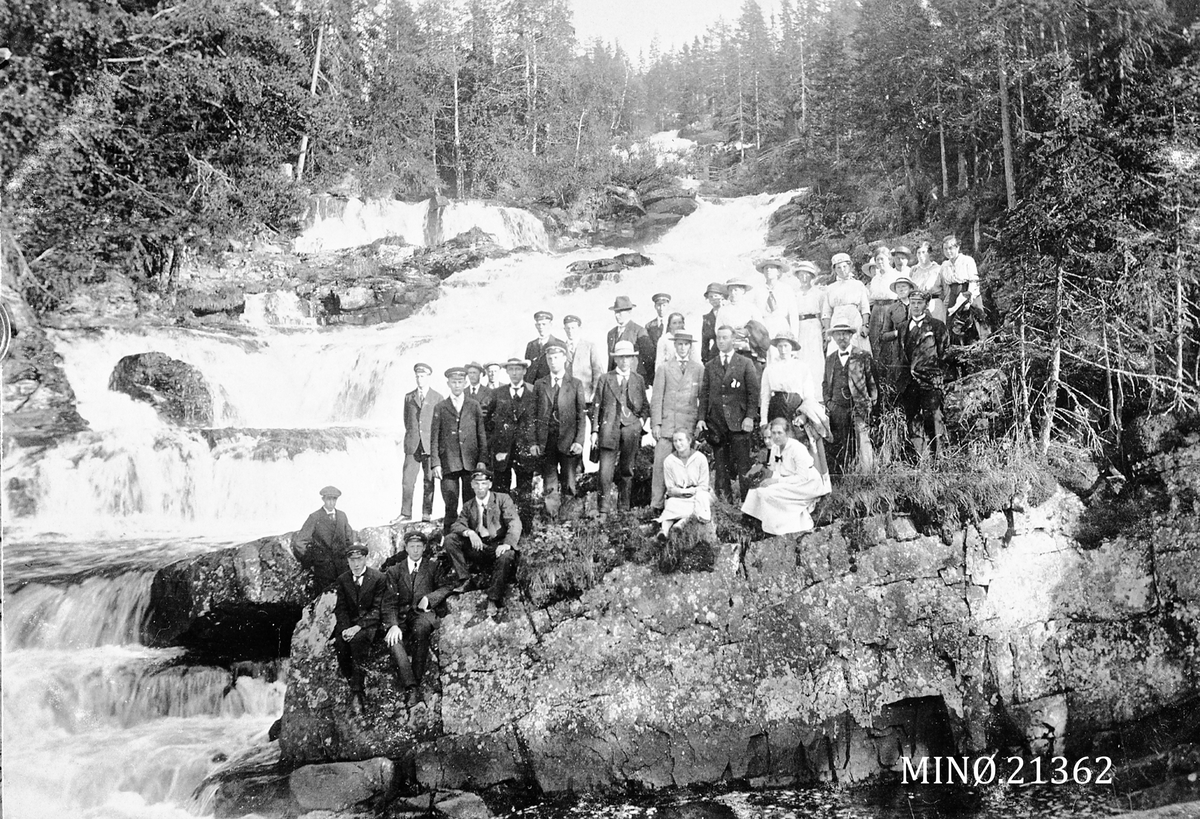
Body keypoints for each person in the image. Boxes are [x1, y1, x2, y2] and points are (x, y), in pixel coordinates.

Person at [381, 530, 454, 708]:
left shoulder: (433, 566)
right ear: (406, 548)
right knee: (394, 639)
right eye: (412, 546)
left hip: (422, 614)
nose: (415, 550)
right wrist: (392, 625)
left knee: (421, 629)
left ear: (424, 548)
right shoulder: (394, 570)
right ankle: (411, 686)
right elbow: (388, 601)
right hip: (400, 616)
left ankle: (418, 681)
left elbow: (446, 587)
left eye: (419, 546)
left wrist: (430, 598)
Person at [443, 467, 522, 620]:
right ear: (471, 485)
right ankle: (465, 579)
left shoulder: (502, 499)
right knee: (451, 539)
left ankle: (493, 598)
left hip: (497, 546)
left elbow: (514, 522)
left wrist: (507, 544)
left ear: (490, 485)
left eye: (484, 483)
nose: (480, 488)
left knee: (508, 555)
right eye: (477, 484)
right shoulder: (468, 505)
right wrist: (470, 533)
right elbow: (457, 525)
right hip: (478, 548)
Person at [758, 331, 831, 486]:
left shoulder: (801, 367)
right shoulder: (770, 368)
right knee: (779, 446)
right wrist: (764, 421)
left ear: (792, 347)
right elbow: (764, 396)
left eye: (786, 346)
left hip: (796, 409)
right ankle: (781, 485)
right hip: (777, 409)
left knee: (801, 446)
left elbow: (809, 395)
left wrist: (804, 416)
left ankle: (807, 485)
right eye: (779, 346)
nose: (783, 350)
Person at [698, 326, 760, 503]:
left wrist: (749, 416)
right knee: (721, 465)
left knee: (743, 464)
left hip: (739, 422)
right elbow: (704, 394)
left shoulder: (745, 363)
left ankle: (749, 504)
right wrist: (702, 419)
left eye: (725, 338)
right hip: (717, 422)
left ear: (733, 340)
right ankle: (725, 503)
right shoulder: (710, 366)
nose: (721, 341)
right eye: (718, 338)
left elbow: (753, 393)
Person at [741, 418, 830, 536]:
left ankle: (781, 527)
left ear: (786, 433)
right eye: (773, 433)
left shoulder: (797, 448)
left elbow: (802, 477)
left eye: (779, 433)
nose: (776, 436)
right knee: (757, 491)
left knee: (770, 493)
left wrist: (777, 481)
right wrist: (765, 478)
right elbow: (774, 469)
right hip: (788, 480)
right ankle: (763, 525)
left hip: (808, 484)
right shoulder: (775, 448)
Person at [591, 339, 650, 515]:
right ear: (615, 359)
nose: (625, 361)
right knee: (605, 472)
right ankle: (603, 510)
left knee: (627, 470)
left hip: (631, 430)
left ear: (633, 359)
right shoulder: (605, 379)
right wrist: (594, 431)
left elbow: (645, 406)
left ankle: (624, 509)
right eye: (621, 357)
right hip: (609, 430)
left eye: (628, 357)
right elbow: (596, 406)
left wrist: (640, 423)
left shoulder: (638, 379)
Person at [430, 366, 489, 534]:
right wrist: (435, 464)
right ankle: (450, 541)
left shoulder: (473, 405)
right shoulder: (440, 407)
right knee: (450, 505)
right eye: (453, 382)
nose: (457, 385)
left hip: (470, 464)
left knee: (471, 504)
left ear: (465, 383)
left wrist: (482, 460)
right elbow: (434, 437)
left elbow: (481, 435)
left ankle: (472, 540)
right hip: (448, 464)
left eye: (460, 382)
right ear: (448, 383)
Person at [650, 331, 704, 511]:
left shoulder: (698, 369)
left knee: (686, 467)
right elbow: (656, 398)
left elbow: (702, 399)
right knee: (660, 465)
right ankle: (656, 505)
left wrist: (699, 421)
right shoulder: (664, 368)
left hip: (687, 426)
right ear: (674, 346)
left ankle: (687, 506)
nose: (682, 348)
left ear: (690, 347)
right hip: (668, 425)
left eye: (686, 344)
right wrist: (656, 424)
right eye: (679, 344)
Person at [485, 357, 539, 531]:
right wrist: (495, 444)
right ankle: (501, 528)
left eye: (518, 369)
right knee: (501, 490)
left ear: (524, 371)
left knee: (525, 491)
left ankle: (526, 528)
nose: (515, 373)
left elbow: (539, 420)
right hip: (502, 451)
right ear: (506, 372)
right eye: (511, 370)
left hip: (525, 450)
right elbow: (487, 420)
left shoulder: (533, 392)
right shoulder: (498, 393)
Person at [824, 305, 878, 473]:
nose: (841, 338)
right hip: (837, 408)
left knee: (863, 440)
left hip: (858, 406)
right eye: (838, 334)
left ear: (851, 335)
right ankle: (846, 474)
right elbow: (825, 383)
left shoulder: (862, 356)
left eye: (845, 334)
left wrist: (870, 403)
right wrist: (829, 402)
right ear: (833, 337)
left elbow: (872, 383)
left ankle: (867, 475)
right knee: (843, 441)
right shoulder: (830, 358)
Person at [332, 542, 384, 715]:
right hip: (350, 625)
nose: (356, 564)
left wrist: (358, 627)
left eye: (359, 559)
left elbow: (377, 610)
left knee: (358, 642)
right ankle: (351, 679)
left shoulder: (378, 578)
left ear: (365, 559)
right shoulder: (343, 579)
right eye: (352, 560)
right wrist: (346, 628)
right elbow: (341, 608)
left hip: (369, 625)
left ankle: (357, 692)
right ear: (348, 561)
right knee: (340, 644)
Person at [898, 290, 948, 459]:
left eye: (919, 302)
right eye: (913, 302)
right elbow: (902, 353)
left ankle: (937, 458)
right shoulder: (903, 327)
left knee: (933, 418)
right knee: (912, 419)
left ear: (926, 305)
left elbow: (943, 353)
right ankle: (921, 458)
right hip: (909, 382)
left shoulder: (937, 326)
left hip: (930, 380)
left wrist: (934, 375)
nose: (916, 306)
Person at [535, 343, 587, 501]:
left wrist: (579, 441)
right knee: (549, 484)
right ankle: (552, 520)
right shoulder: (540, 384)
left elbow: (581, 416)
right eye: (549, 358)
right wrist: (534, 442)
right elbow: (533, 415)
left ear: (564, 358)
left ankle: (568, 520)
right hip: (547, 441)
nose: (553, 361)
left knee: (570, 483)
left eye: (556, 358)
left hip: (569, 441)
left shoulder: (575, 384)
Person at [399, 363, 443, 523]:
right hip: (412, 445)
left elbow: (439, 424)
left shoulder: (437, 398)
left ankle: (426, 513)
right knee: (407, 481)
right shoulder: (409, 397)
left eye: (422, 376)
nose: (419, 379)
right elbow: (407, 421)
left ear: (429, 377)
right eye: (417, 376)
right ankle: (405, 513)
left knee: (429, 481)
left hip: (429, 445)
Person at [295, 485, 354, 593]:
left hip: (342, 567)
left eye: (334, 499)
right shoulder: (314, 517)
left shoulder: (342, 516)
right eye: (328, 499)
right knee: (324, 599)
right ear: (323, 499)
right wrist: (311, 561)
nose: (331, 502)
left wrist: (348, 558)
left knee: (344, 599)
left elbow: (349, 538)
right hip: (323, 569)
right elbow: (300, 542)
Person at [656, 428, 711, 539]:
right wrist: (682, 492)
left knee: (702, 500)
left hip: (696, 494)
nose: (678, 444)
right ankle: (664, 530)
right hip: (678, 496)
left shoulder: (700, 458)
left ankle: (681, 523)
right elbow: (670, 488)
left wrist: (691, 491)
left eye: (681, 440)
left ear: (689, 441)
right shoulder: (669, 461)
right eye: (675, 441)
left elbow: (704, 486)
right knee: (671, 503)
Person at [940, 235, 989, 345]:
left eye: (951, 248)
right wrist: (948, 301)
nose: (948, 251)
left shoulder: (967, 261)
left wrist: (969, 300)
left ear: (957, 248)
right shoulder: (944, 265)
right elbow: (947, 286)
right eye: (945, 249)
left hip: (969, 294)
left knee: (973, 325)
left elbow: (974, 281)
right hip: (954, 296)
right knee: (954, 328)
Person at [821, 253, 871, 355]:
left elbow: (865, 307)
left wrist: (865, 325)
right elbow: (826, 312)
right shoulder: (830, 288)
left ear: (850, 267)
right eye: (838, 268)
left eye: (844, 266)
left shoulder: (858, 285)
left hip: (854, 320)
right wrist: (827, 331)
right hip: (837, 321)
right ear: (834, 270)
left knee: (858, 350)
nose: (842, 270)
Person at [878, 274, 916, 399]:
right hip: (899, 351)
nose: (901, 289)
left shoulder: (918, 305)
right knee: (900, 382)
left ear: (910, 289)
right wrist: (896, 333)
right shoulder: (892, 309)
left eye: (904, 286)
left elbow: (930, 326)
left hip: (917, 349)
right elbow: (883, 335)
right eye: (898, 287)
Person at [792, 261, 826, 398]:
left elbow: (824, 314)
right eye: (801, 274)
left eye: (807, 274)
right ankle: (801, 395)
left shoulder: (819, 293)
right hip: (799, 326)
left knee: (815, 360)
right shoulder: (794, 294)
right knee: (801, 358)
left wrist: (824, 333)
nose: (804, 277)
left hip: (814, 327)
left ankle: (818, 395)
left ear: (812, 276)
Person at [606, 296, 656, 386]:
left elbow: (649, 359)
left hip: (634, 380)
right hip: (615, 381)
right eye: (616, 312)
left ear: (629, 312)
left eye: (620, 312)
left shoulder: (639, 331)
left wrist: (646, 382)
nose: (617, 315)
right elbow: (611, 361)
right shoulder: (611, 333)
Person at [716, 276, 764, 363]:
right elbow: (717, 329)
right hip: (730, 346)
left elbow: (760, 328)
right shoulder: (723, 310)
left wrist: (747, 331)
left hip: (749, 347)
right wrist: (730, 333)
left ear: (743, 291)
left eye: (736, 290)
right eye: (730, 290)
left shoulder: (751, 308)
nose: (733, 293)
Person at [756, 259, 798, 355]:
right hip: (764, 326)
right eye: (766, 268)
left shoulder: (786, 289)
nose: (768, 270)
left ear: (778, 271)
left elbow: (793, 314)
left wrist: (794, 335)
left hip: (781, 325)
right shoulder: (758, 290)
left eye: (772, 268)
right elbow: (756, 313)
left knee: (781, 353)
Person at [562, 314, 604, 406]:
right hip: (566, 397)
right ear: (564, 329)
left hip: (586, 396)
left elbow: (597, 371)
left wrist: (594, 392)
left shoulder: (589, 347)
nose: (570, 331)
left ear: (579, 328)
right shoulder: (561, 348)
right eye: (568, 328)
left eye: (573, 328)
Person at [866, 244, 898, 363]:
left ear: (889, 259)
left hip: (890, 308)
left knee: (889, 338)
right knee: (875, 338)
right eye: (877, 259)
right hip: (876, 309)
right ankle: (878, 369)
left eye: (882, 259)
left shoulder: (894, 275)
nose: (879, 262)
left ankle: (890, 371)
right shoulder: (875, 278)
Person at [524, 310, 566, 386]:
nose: (541, 327)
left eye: (544, 324)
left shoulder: (559, 344)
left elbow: (564, 369)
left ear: (550, 325)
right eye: (539, 324)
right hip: (532, 386)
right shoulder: (531, 345)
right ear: (536, 326)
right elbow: (527, 369)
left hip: (550, 386)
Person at [909, 240, 946, 324]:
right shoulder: (914, 270)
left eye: (924, 252)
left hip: (934, 304)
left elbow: (946, 290)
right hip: (917, 304)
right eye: (918, 253)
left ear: (929, 253)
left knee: (937, 330)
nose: (921, 255)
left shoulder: (938, 269)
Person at [700, 282, 727, 364]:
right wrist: (705, 359)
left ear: (722, 296)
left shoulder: (729, 312)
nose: (713, 299)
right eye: (710, 297)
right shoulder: (707, 318)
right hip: (715, 354)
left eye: (716, 296)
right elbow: (705, 342)